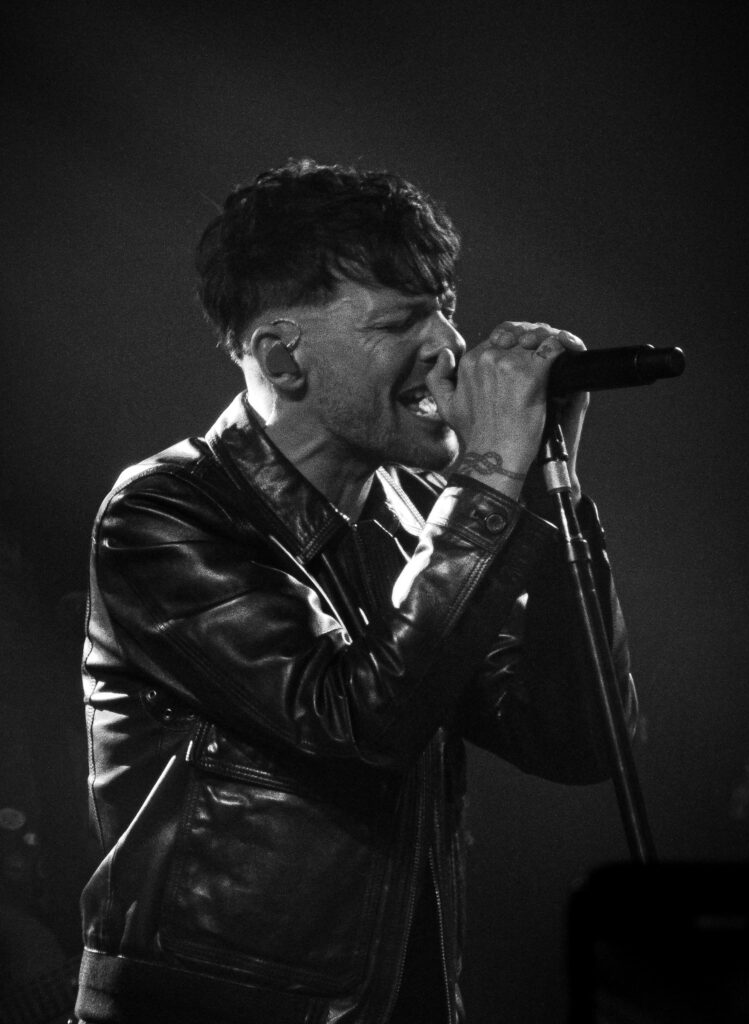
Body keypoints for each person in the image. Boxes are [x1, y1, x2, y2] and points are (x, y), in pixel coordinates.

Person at [75, 158, 636, 1024]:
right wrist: (488, 480)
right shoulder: (164, 515)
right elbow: (353, 722)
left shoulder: (423, 518)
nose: (449, 347)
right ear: (282, 357)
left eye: (445, 308)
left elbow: (574, 741)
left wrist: (541, 490)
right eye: (402, 321)